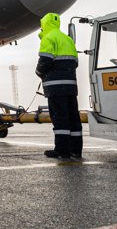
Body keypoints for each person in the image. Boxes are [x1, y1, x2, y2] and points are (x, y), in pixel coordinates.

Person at [35, 12, 82, 159]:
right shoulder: (67, 40)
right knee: (73, 118)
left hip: (56, 88)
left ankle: (62, 150)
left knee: (60, 118)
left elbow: (45, 60)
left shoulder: (48, 38)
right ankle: (76, 150)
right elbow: (75, 62)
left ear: (44, 25)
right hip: (71, 86)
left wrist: (38, 72)